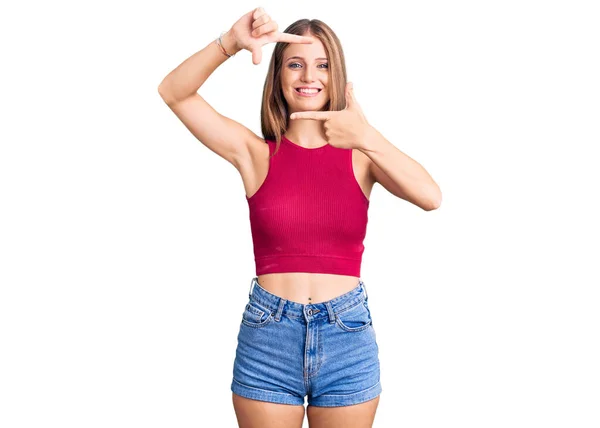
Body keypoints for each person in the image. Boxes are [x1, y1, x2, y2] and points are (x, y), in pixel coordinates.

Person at [158, 7, 441, 427]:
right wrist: (230, 43)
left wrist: (366, 135)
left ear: (336, 74)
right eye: (296, 64)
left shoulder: (364, 156)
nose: (309, 76)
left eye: (322, 65)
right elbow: (173, 92)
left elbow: (430, 196)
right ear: (279, 75)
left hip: (346, 335)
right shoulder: (255, 154)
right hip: (269, 336)